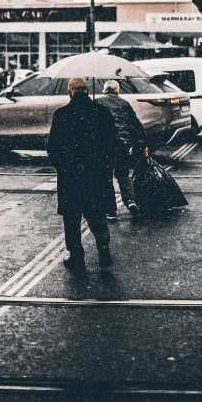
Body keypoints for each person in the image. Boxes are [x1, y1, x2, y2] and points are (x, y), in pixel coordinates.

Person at [46, 77, 116, 273]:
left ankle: (77, 258)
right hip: (96, 176)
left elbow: (52, 148)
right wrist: (104, 166)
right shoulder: (102, 113)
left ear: (70, 92)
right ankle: (103, 251)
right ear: (86, 91)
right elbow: (112, 144)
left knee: (72, 220)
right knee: (97, 216)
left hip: (71, 178)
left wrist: (63, 166)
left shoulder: (62, 114)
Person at [99, 79, 144, 218]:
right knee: (123, 175)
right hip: (122, 145)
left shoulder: (98, 103)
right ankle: (130, 200)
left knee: (105, 177)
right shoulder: (125, 104)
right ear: (117, 90)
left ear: (104, 90)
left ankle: (110, 210)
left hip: (105, 145)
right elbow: (135, 125)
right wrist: (141, 144)